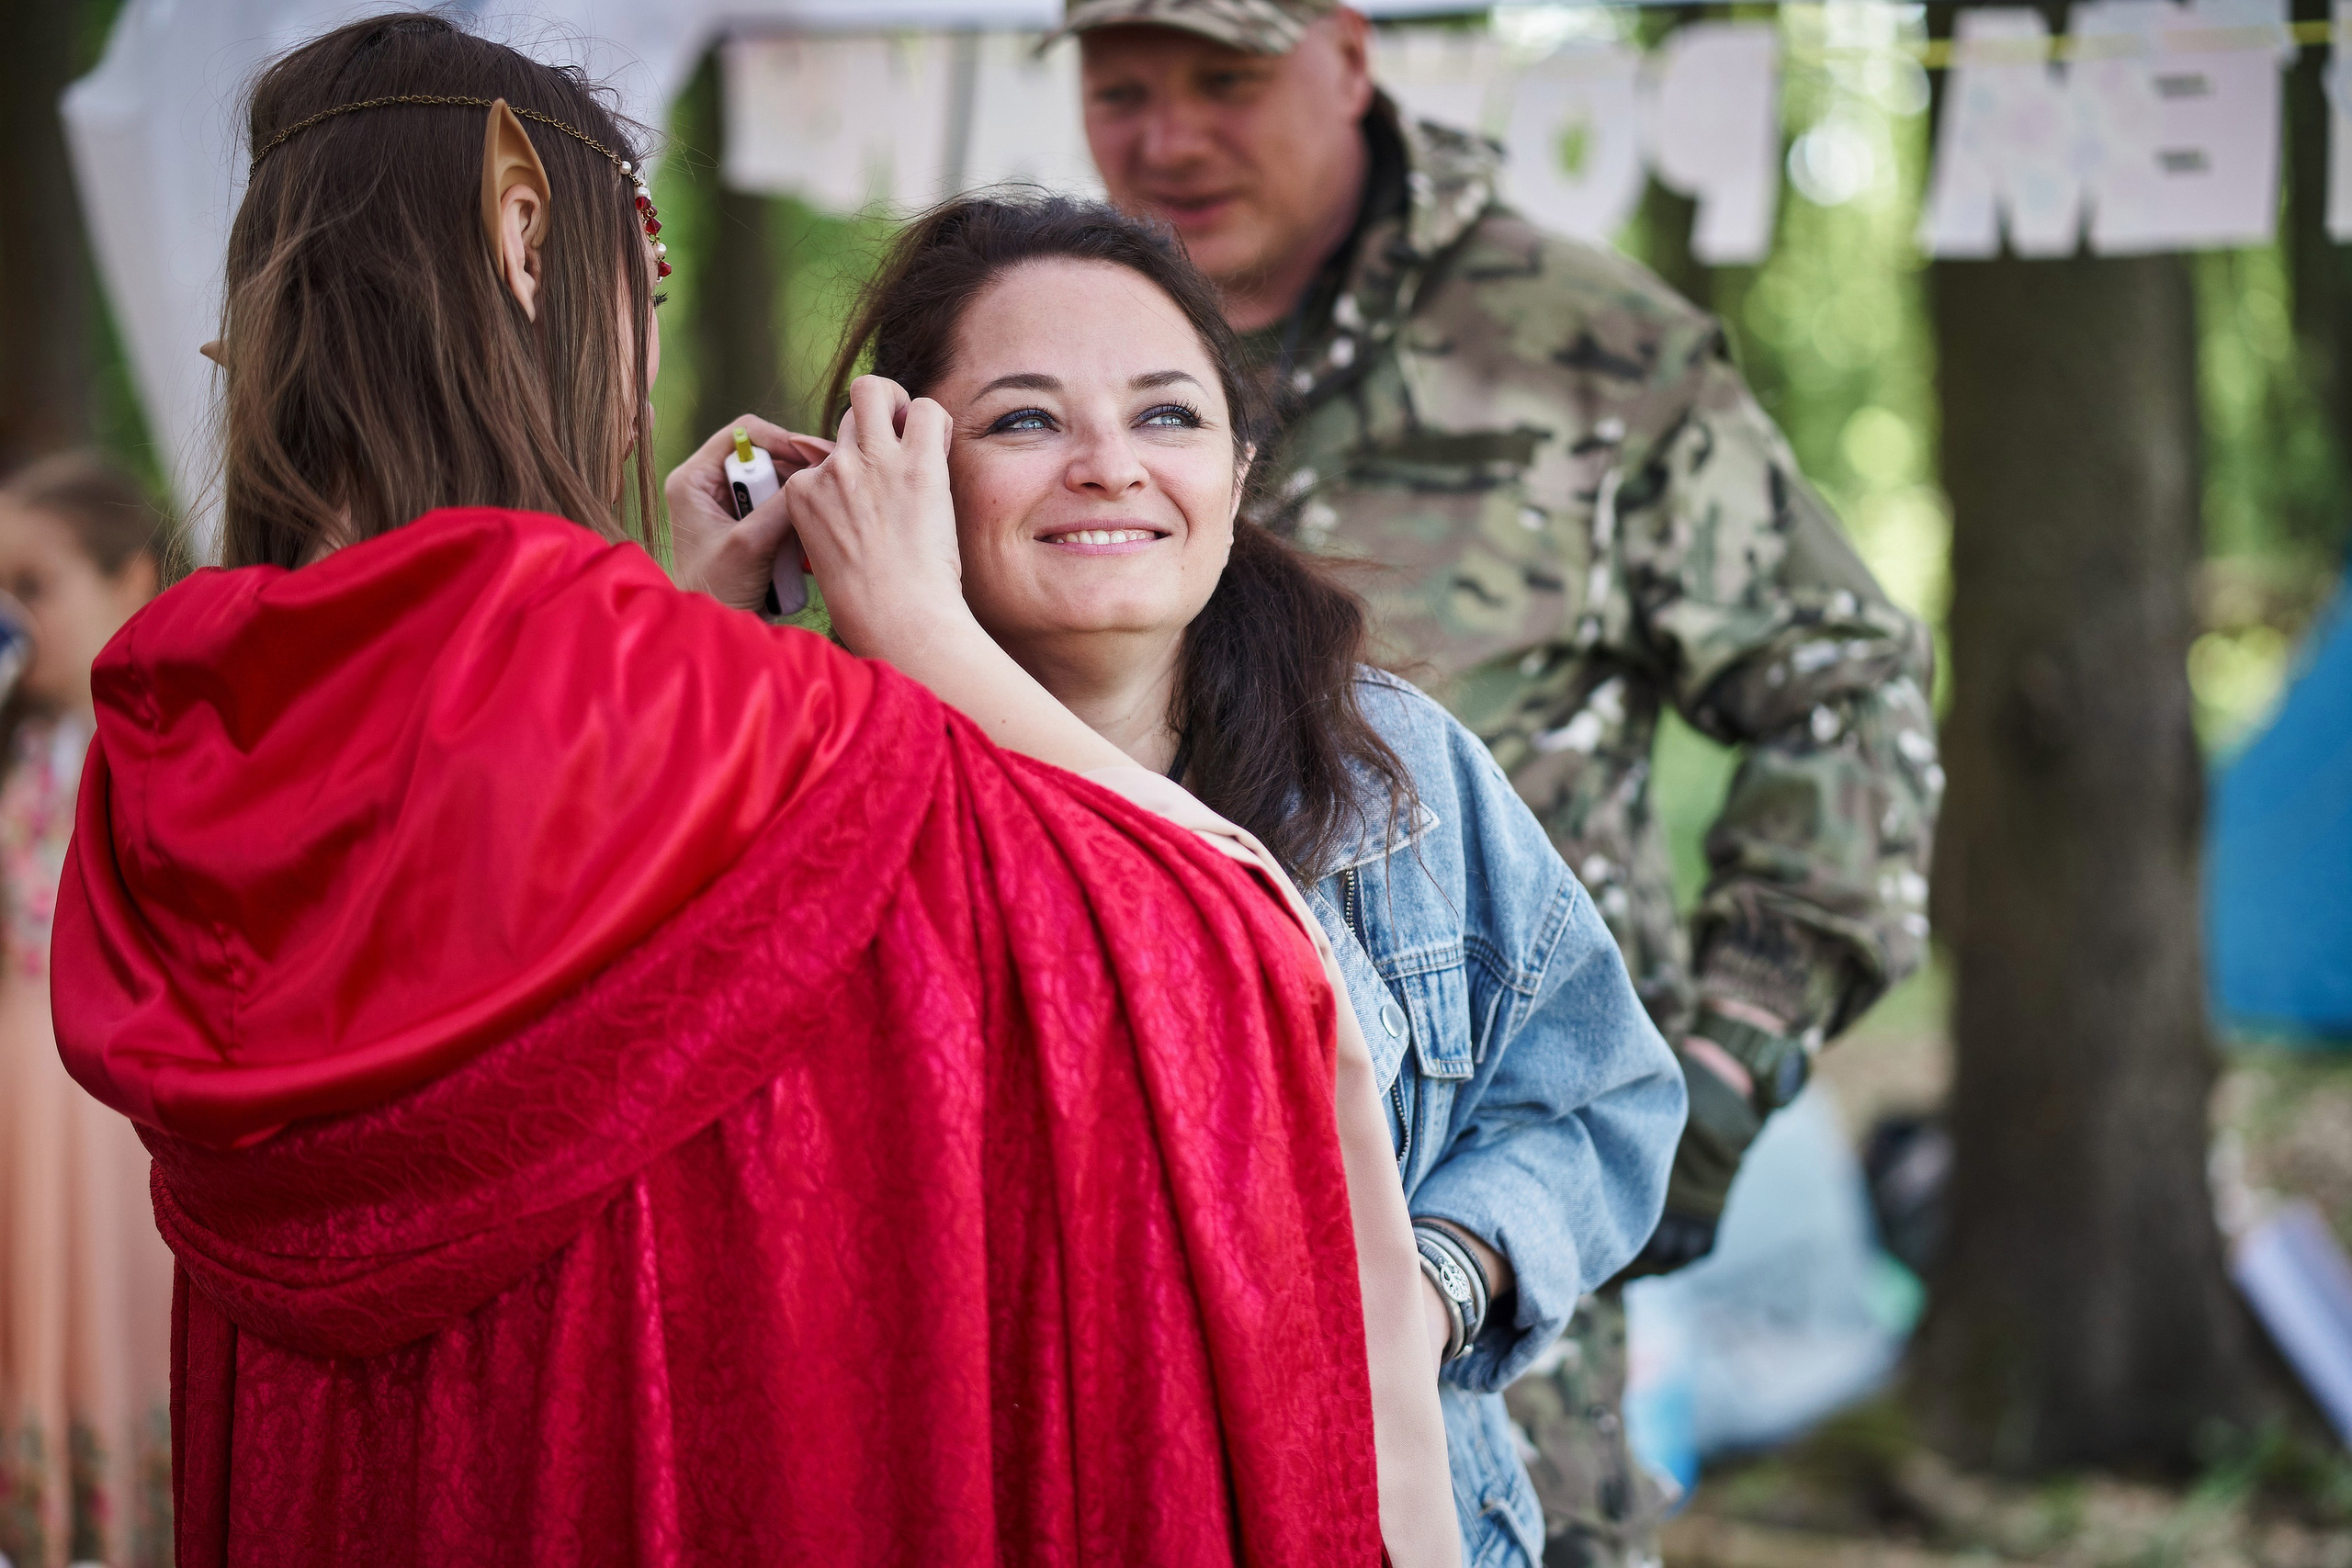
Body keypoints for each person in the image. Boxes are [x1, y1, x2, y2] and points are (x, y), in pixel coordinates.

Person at [49, 13, 1454, 1565]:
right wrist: (911, 636)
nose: (641, 347)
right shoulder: (791, 729)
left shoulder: (166, 737)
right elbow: (1207, 964)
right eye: (635, 281)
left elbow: (515, 841)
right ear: (528, 233)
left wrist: (688, 631)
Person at [671, 193, 1687, 1568]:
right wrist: (693, 638)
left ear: (1239, 472)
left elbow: (1597, 1095)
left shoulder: (1394, 775)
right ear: (896, 472)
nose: (1109, 466)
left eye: (1166, 415)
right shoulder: (807, 798)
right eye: (1025, 420)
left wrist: (1422, 1289)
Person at [1057, 3, 1945, 1562]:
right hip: (1114, 1282)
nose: (1166, 135)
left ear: (1346, 54)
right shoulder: (1056, 353)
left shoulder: (1581, 352)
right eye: (1119, 87)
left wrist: (1721, 1074)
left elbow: (1850, 696)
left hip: (1493, 1276)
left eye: (1223, 78)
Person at [0, 454, 173, 1568]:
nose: (12, 621)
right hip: (16, 1133)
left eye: (33, 586)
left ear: (132, 581)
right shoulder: (15, 763)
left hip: (114, 1130)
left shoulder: (162, 751)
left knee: (117, 1323)